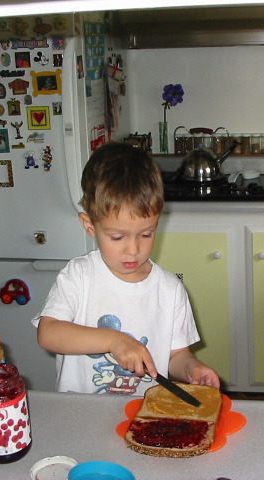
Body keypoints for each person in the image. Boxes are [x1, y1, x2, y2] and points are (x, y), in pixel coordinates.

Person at [33, 142, 220, 395]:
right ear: (89, 225)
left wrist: (191, 369)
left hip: (144, 416)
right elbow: (49, 333)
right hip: (80, 415)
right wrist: (114, 340)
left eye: (146, 233)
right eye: (118, 237)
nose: (133, 250)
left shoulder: (170, 290)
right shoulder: (78, 276)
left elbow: (176, 355)